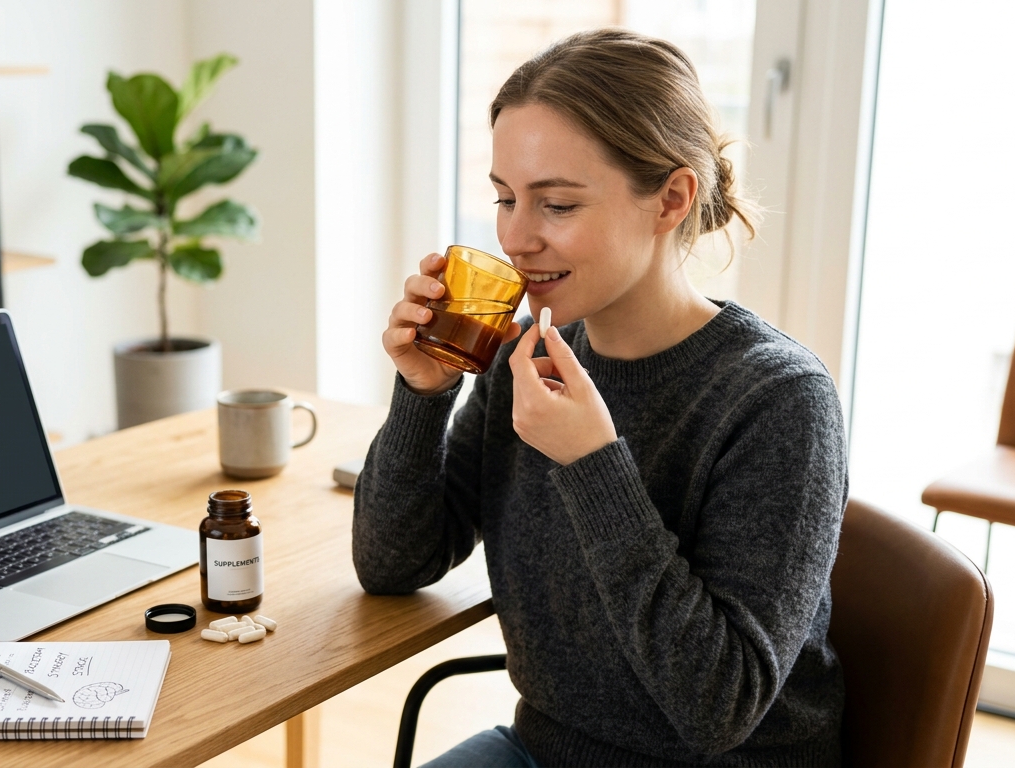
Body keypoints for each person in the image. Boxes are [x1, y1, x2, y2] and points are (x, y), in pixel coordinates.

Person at [352, 28, 848, 767]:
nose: (516, 238)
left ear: (672, 199)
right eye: (504, 198)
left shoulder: (779, 401)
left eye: (555, 205)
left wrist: (593, 465)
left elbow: (719, 707)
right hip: (544, 750)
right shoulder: (526, 355)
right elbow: (393, 565)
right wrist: (425, 395)